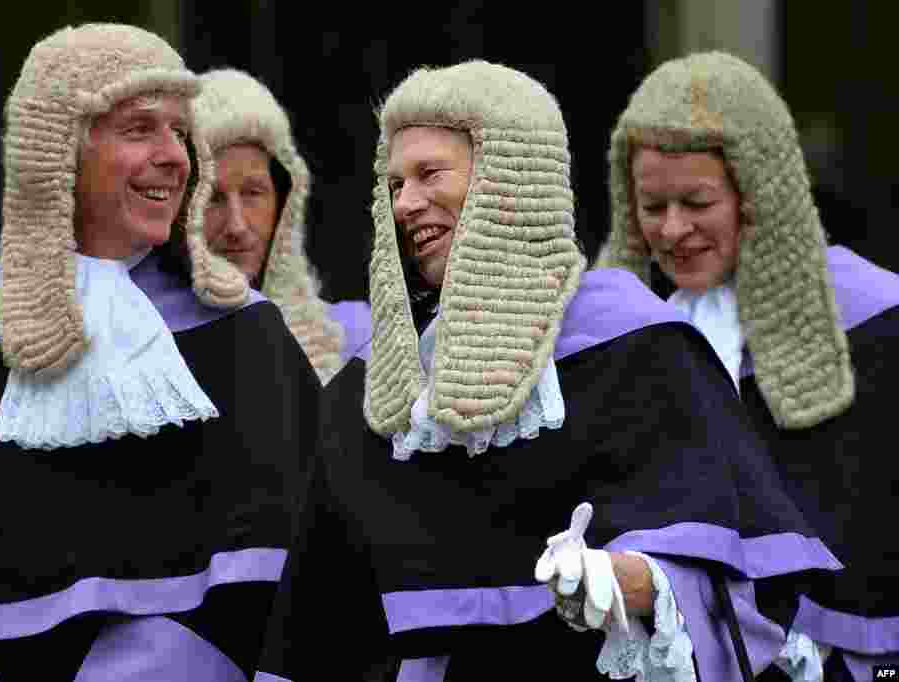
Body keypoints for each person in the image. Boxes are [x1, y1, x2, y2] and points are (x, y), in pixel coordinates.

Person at [254, 60, 841, 682]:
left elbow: (729, 559)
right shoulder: (375, 389)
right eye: (395, 183)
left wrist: (626, 582)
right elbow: (316, 621)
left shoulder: (640, 346)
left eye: (429, 174)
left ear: (509, 177)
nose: (406, 202)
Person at [0, 24, 319, 681]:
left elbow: (300, 596)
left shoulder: (248, 339)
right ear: (57, 151)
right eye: (141, 128)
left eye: (181, 131)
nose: (175, 155)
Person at [596, 51, 899, 680]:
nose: (674, 230)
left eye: (697, 202)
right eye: (652, 208)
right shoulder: (636, 333)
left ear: (761, 194)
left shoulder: (877, 320)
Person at [192, 68, 372, 383]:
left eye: (252, 193)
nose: (236, 225)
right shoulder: (153, 340)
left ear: (285, 198)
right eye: (213, 198)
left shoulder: (353, 337)